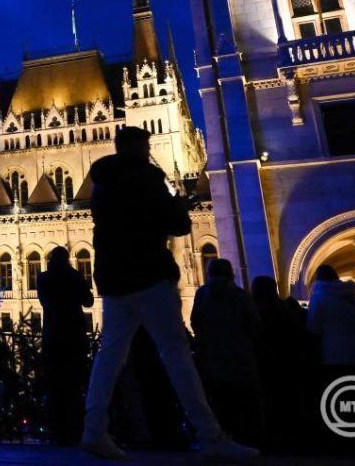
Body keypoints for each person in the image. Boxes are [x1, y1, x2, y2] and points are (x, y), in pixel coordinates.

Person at [79, 126, 257, 461]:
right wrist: (178, 206)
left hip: (114, 279)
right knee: (176, 354)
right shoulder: (147, 177)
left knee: (109, 355)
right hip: (149, 275)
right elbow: (178, 225)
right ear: (138, 148)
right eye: (147, 146)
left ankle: (92, 431)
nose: (150, 151)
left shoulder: (101, 183)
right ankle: (210, 435)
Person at [190, 258, 262, 446]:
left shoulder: (202, 294)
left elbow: (195, 321)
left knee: (219, 400)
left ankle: (222, 438)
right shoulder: (240, 295)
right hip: (239, 356)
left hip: (212, 358)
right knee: (242, 399)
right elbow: (254, 324)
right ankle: (245, 438)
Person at [36, 245, 93, 445]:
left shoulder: (43, 278)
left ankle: (56, 430)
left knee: (54, 383)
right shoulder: (75, 276)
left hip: (53, 334)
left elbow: (44, 302)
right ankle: (74, 429)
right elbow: (89, 301)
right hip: (74, 334)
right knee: (74, 384)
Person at [250, 276, 312, 454]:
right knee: (289, 401)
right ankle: (296, 438)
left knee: (270, 402)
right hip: (288, 364)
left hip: (265, 364)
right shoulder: (286, 310)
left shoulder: (255, 311)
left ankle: (273, 439)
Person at [307, 263, 355, 369]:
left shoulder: (318, 297)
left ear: (318, 279)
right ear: (336, 276)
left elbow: (314, 327)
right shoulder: (353, 294)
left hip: (337, 353)